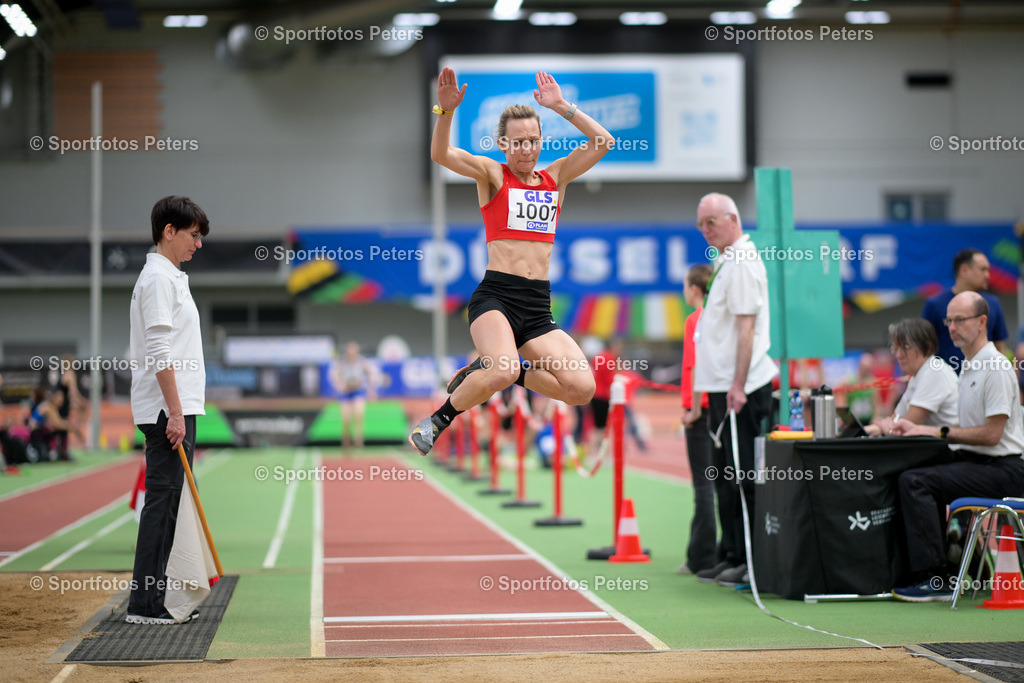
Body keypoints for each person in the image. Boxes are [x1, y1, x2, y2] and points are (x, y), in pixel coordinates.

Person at [409, 67, 615, 455]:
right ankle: (437, 420)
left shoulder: (557, 176)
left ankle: (509, 368)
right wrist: (445, 111)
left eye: (533, 141)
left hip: (537, 306)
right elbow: (441, 154)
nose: (526, 149)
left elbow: (603, 141)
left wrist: (561, 106)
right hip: (496, 298)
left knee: (581, 389)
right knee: (500, 370)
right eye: (518, 142)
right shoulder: (493, 175)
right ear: (503, 143)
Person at [892, 291, 1024, 601]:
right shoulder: (968, 366)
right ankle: (954, 570)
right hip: (980, 462)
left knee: (915, 482)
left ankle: (935, 577)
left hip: (1005, 469)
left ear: (981, 322)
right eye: (948, 321)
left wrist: (935, 431)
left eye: (959, 320)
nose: (952, 327)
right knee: (914, 473)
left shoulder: (995, 366)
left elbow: (991, 435)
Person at [127, 196, 209, 624]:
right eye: (193, 235)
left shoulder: (170, 276)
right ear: (169, 231)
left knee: (170, 502)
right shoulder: (158, 278)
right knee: (161, 501)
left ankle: (155, 596)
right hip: (167, 411)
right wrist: (175, 414)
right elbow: (159, 350)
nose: (198, 244)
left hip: (176, 408)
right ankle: (145, 603)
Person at [691, 193, 778, 587]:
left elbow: (747, 327)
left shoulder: (742, 261)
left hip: (739, 389)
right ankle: (731, 552)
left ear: (733, 219)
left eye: (710, 222)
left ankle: (750, 558)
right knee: (725, 475)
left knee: (741, 476)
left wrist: (738, 384)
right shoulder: (725, 261)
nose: (705, 230)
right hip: (722, 387)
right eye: (700, 224)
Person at [679, 264, 717, 575]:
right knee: (721, 483)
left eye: (685, 285)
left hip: (701, 410)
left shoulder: (696, 320)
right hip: (719, 408)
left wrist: (693, 407)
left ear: (694, 289)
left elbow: (694, 364)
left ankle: (702, 557)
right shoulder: (718, 317)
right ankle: (711, 551)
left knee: (703, 486)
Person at [865, 318, 958, 436]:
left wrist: (883, 426)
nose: (898, 355)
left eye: (906, 348)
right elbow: (895, 420)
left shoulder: (934, 371)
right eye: (896, 348)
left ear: (927, 347)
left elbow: (903, 427)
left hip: (949, 451)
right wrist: (868, 429)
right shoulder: (919, 374)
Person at [921, 248, 1008, 372]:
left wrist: (1004, 373)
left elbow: (1000, 346)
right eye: (983, 269)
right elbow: (924, 349)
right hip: (947, 384)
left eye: (959, 320)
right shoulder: (934, 304)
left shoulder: (993, 304)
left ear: (982, 321)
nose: (987, 275)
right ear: (964, 270)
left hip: (985, 380)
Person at [329, 342, 377, 451]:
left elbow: (371, 373)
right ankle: (346, 442)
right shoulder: (342, 362)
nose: (351, 353)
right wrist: (340, 386)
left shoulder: (361, 362)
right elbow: (334, 375)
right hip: (346, 393)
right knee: (346, 419)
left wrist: (371, 389)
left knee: (358, 415)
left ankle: (359, 442)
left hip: (358, 391)